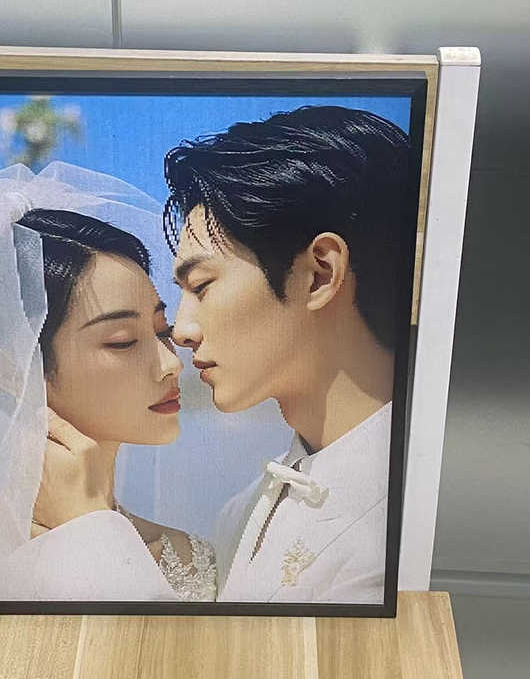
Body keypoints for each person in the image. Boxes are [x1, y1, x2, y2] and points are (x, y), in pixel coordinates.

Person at [161, 105, 416, 603]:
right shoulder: (242, 512)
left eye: (202, 285)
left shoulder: (405, 523)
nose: (181, 330)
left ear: (319, 275)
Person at [0, 165, 216, 602]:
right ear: (12, 373)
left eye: (162, 330)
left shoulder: (189, 556)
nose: (171, 364)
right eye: (122, 342)